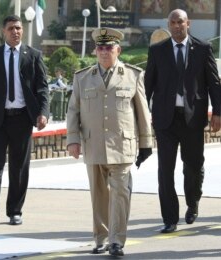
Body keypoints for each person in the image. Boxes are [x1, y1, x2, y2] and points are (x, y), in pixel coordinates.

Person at [66, 27, 153, 256]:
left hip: (122, 146)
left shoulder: (133, 75)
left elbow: (143, 112)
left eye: (109, 48)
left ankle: (116, 240)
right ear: (95, 51)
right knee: (98, 194)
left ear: (118, 50)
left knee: (120, 194)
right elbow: (73, 111)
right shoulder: (82, 78)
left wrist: (146, 143)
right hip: (93, 145)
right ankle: (101, 238)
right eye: (101, 48)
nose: (104, 52)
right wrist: (72, 140)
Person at [145, 9, 221, 233]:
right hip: (165, 120)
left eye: (181, 22)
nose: (177, 26)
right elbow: (147, 85)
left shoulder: (203, 48)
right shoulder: (157, 50)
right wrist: (140, 116)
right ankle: (169, 218)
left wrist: (218, 111)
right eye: (173, 22)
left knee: (193, 165)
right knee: (165, 170)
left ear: (189, 23)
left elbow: (214, 83)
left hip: (193, 118)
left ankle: (193, 201)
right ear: (168, 25)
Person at [0, 15, 49, 228]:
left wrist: (43, 113)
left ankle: (14, 211)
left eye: (18, 28)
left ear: (22, 30)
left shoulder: (33, 56)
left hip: (22, 120)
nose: (15, 32)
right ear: (3, 31)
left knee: (19, 168)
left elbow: (42, 88)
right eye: (11, 29)